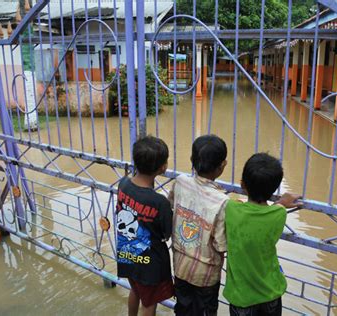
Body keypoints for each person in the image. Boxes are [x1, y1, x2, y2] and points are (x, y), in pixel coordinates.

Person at [223, 153, 301, 316]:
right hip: (270, 293)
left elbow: (235, 204)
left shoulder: (231, 209)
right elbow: (278, 207)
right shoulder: (278, 214)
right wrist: (282, 202)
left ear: (242, 184)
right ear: (274, 189)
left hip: (241, 297)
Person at [169, 134, 229, 316]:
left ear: (191, 161)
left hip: (180, 265)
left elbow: (170, 205)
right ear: (222, 166)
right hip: (206, 275)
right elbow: (220, 244)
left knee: (183, 307)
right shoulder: (223, 201)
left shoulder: (179, 182)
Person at [115, 136, 173, 316]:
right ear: (163, 167)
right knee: (149, 304)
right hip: (149, 264)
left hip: (127, 255)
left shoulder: (123, 183)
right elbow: (166, 234)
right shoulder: (159, 202)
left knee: (136, 291)